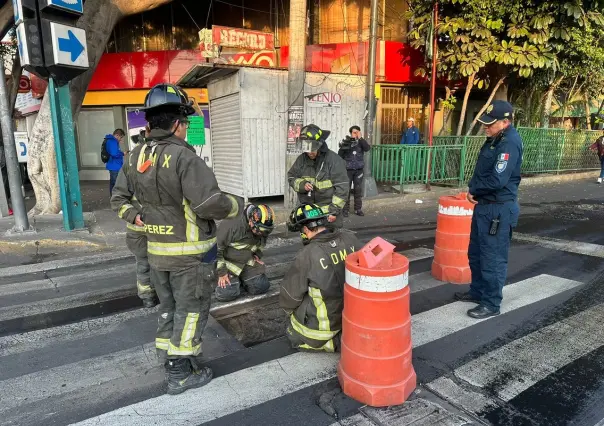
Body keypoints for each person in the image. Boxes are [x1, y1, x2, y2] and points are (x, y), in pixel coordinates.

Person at [111, 83, 241, 395]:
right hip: (190, 258)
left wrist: (135, 216)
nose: (186, 128)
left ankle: (170, 358)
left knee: (169, 308)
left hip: (157, 254)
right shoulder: (183, 159)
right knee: (192, 310)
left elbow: (119, 200)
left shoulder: (134, 157)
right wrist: (236, 205)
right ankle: (180, 372)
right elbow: (209, 204)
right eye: (185, 123)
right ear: (176, 125)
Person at [454, 100, 522, 319]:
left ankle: (491, 303)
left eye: (490, 123)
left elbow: (497, 179)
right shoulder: (495, 139)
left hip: (498, 210)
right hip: (485, 207)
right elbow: (482, 171)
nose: (486, 126)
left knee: (492, 258)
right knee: (476, 253)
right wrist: (475, 189)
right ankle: (478, 292)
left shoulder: (509, 143)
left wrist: (475, 191)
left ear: (505, 122)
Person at [280, 203, 361, 352]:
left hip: (324, 328)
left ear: (305, 229)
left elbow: (289, 297)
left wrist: (289, 311)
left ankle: (335, 342)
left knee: (292, 333)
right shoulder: (350, 238)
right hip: (355, 317)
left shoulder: (307, 255)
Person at [117, 127, 157, 309]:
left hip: (166, 230)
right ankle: (148, 295)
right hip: (140, 232)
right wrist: (134, 216)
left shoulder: (169, 161)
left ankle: (162, 295)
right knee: (144, 265)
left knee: (167, 266)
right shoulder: (130, 164)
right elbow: (118, 199)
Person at [287, 124, 349, 229]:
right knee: (310, 243)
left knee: (330, 241)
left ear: (320, 145)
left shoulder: (334, 161)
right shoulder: (301, 160)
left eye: (312, 149)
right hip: (309, 214)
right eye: (307, 148)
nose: (309, 152)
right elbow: (291, 177)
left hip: (328, 215)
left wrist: (334, 212)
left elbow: (342, 188)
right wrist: (302, 185)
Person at [215, 203, 275, 302]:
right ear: (251, 221)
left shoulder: (263, 227)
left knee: (262, 286)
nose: (262, 233)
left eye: (265, 231)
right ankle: (220, 280)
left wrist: (257, 255)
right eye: (259, 230)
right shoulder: (231, 225)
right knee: (227, 294)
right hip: (228, 263)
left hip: (246, 260)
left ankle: (241, 279)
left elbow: (261, 243)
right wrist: (222, 273)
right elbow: (216, 250)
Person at [338, 125, 371, 217]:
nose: (355, 134)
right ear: (351, 133)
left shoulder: (361, 142)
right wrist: (346, 144)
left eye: (357, 132)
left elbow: (367, 148)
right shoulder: (346, 142)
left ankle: (358, 209)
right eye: (354, 132)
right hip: (348, 170)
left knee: (358, 190)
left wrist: (360, 138)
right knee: (346, 190)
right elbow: (340, 154)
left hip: (359, 170)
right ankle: (345, 210)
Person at [105, 129, 125, 195]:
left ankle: (113, 197)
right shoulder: (112, 141)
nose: (121, 139)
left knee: (113, 183)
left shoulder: (111, 141)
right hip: (114, 166)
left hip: (113, 165)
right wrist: (122, 153)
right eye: (121, 137)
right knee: (115, 184)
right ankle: (115, 198)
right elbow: (114, 154)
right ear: (117, 135)